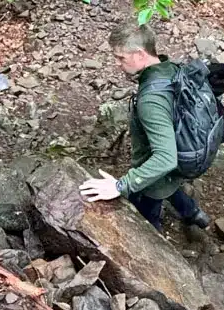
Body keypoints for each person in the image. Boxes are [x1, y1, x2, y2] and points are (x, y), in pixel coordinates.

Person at [79, 22, 212, 230]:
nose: (117, 63)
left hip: (155, 174)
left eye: (121, 57)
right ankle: (193, 213)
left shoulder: (151, 100)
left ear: (140, 54)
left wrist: (122, 185)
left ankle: (158, 243)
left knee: (147, 218)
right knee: (170, 185)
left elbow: (165, 159)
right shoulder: (170, 68)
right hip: (180, 150)